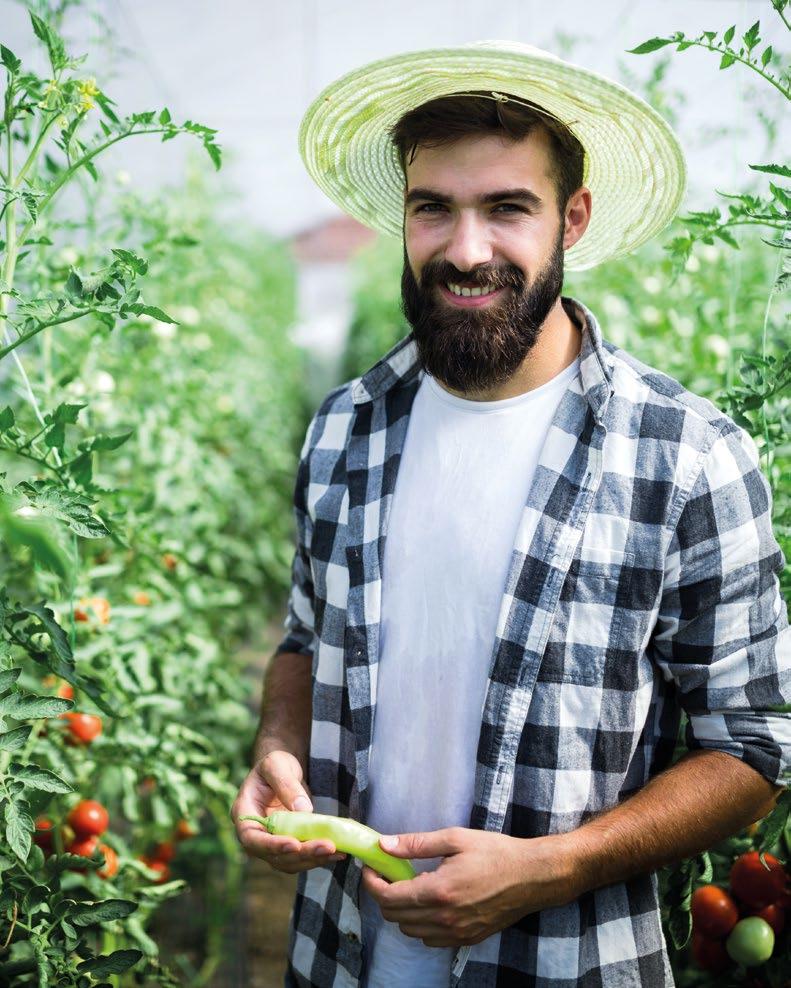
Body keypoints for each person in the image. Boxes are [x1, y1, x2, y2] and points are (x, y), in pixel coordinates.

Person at [232, 41, 790, 987]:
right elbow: (303, 637)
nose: (465, 249)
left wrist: (551, 868)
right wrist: (279, 750)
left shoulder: (687, 457)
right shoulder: (344, 431)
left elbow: (750, 748)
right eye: (433, 208)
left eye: (506, 208)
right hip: (339, 956)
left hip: (564, 962)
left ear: (571, 218)